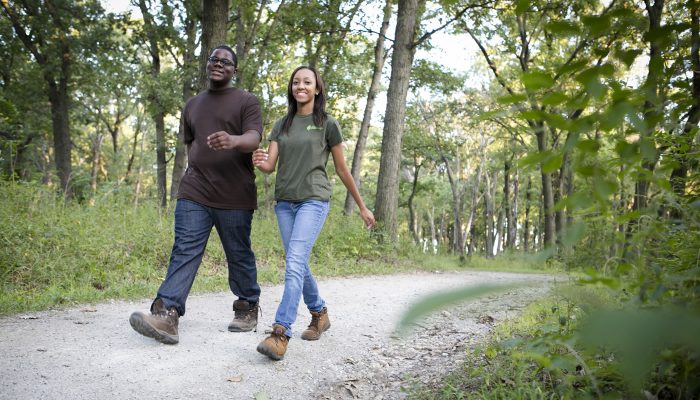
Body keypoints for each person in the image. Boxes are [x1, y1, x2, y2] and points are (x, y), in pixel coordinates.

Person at [129, 45, 263, 345]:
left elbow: (254, 138)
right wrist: (195, 169)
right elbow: (191, 143)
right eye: (214, 59)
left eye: (225, 62)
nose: (218, 64)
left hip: (235, 194)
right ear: (207, 65)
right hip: (195, 189)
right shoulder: (192, 105)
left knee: (238, 254)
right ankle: (167, 313)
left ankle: (247, 305)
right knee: (185, 248)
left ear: (234, 70)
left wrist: (233, 140)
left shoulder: (246, 101)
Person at [252, 66, 375, 360]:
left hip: (314, 201)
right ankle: (319, 313)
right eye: (296, 82)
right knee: (298, 262)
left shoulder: (327, 124)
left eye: (307, 82)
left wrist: (361, 205)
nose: (301, 86)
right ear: (291, 89)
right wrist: (259, 160)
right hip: (285, 203)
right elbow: (270, 165)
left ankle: (280, 332)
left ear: (317, 88)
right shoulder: (281, 125)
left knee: (294, 261)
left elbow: (343, 169)